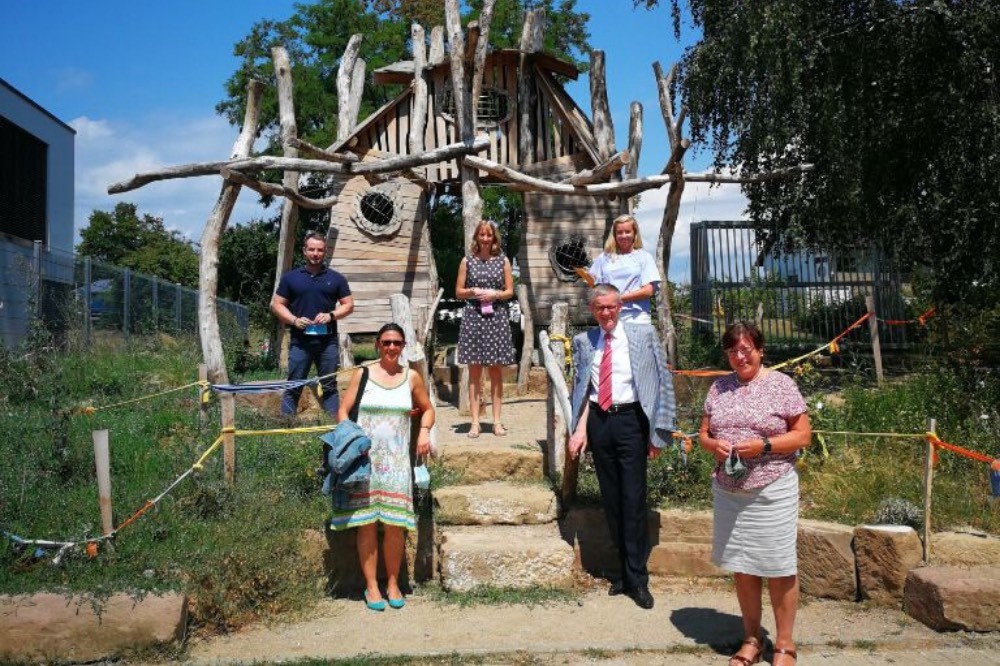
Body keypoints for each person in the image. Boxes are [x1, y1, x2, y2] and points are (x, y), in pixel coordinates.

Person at [698, 321, 812, 666]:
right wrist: (713, 444)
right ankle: (752, 639)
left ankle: (784, 645)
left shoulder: (782, 385)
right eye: (733, 351)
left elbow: (803, 435)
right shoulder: (719, 388)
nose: (739, 356)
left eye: (746, 349)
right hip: (729, 489)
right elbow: (704, 433)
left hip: (772, 486)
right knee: (743, 567)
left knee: (777, 567)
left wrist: (763, 445)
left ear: (760, 350)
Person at [567, 284, 676, 610]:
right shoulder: (585, 342)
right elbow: (583, 391)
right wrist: (580, 430)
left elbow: (663, 381)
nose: (606, 313)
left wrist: (659, 431)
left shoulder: (643, 336)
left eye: (611, 307)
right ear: (592, 309)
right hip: (600, 423)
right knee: (612, 502)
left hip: (631, 422)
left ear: (620, 306)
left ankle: (637, 579)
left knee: (633, 499)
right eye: (599, 308)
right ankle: (622, 574)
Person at [333, 323, 434, 611]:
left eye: (397, 343)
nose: (392, 348)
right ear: (378, 344)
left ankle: (393, 582)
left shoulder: (411, 377)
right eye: (387, 342)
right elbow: (343, 410)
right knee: (365, 524)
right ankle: (372, 586)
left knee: (394, 526)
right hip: (364, 463)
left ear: (403, 346)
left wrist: (424, 431)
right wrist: (349, 438)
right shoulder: (363, 373)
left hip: (397, 464)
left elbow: (427, 408)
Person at [271, 232, 354, 416]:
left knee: (330, 386)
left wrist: (331, 315)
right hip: (300, 343)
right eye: (311, 249)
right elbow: (277, 305)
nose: (315, 253)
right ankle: (286, 428)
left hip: (328, 343)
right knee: (294, 386)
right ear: (304, 251)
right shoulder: (291, 278)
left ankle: (335, 428)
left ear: (325, 252)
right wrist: (294, 320)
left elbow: (349, 305)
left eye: (319, 250)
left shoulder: (336, 278)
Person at [455, 220, 515, 438]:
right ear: (477, 237)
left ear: (494, 238)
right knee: (474, 373)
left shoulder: (503, 261)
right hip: (473, 318)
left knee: (496, 372)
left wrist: (494, 294)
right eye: (482, 234)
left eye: (489, 235)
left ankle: (497, 421)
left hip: (496, 317)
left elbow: (510, 291)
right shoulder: (467, 261)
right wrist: (474, 290)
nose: (485, 238)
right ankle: (475, 422)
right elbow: (458, 292)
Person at [586, 214, 661, 324]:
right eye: (619, 232)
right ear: (614, 235)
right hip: (609, 314)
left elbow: (648, 291)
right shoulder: (604, 257)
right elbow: (594, 283)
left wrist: (618, 298)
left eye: (627, 231)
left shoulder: (644, 257)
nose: (623, 235)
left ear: (635, 233)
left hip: (636, 316)